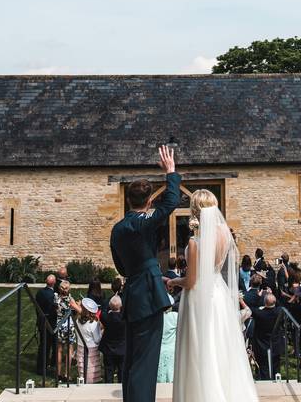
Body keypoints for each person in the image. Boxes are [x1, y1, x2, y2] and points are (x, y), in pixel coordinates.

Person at [166, 189, 259, 402]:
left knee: (200, 348)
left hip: (198, 297)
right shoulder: (225, 234)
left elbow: (191, 281)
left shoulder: (195, 242)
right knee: (220, 345)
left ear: (195, 210)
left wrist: (172, 281)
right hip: (219, 293)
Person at [109, 145, 180, 402]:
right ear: (148, 202)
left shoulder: (118, 229)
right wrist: (170, 171)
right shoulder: (144, 222)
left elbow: (121, 266)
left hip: (134, 294)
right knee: (145, 361)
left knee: (132, 358)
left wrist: (147, 271)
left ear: (128, 200)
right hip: (148, 298)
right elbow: (172, 201)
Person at [251, 292, 286, 380]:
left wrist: (259, 297)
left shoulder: (259, 313)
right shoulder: (280, 311)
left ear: (264, 302)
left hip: (261, 343)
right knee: (276, 365)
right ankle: (276, 380)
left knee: (263, 366)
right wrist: (272, 295)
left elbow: (252, 307)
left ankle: (265, 381)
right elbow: (281, 305)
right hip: (276, 342)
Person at [72, 297, 103, 383]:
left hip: (80, 348)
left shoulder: (78, 320)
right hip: (91, 350)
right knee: (91, 374)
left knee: (83, 372)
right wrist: (102, 332)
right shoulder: (93, 323)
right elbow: (97, 339)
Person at [99, 295, 126, 384]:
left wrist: (109, 305)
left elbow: (103, 311)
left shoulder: (105, 317)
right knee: (122, 371)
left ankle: (108, 386)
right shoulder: (124, 319)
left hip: (108, 348)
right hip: (122, 349)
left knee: (108, 371)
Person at [35, 274, 58, 375]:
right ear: (54, 283)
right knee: (50, 345)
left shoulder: (39, 292)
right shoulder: (53, 296)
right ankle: (49, 365)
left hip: (41, 321)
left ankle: (43, 366)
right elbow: (53, 311)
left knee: (43, 345)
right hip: (50, 323)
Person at [55, 280, 75, 382]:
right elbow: (79, 310)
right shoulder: (70, 299)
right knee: (69, 349)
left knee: (59, 350)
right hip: (68, 325)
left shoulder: (56, 298)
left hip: (59, 324)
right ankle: (67, 374)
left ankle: (58, 374)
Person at [158, 298, 179, 383]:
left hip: (159, 349)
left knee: (160, 378)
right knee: (171, 377)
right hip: (172, 349)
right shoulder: (175, 316)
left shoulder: (157, 318)